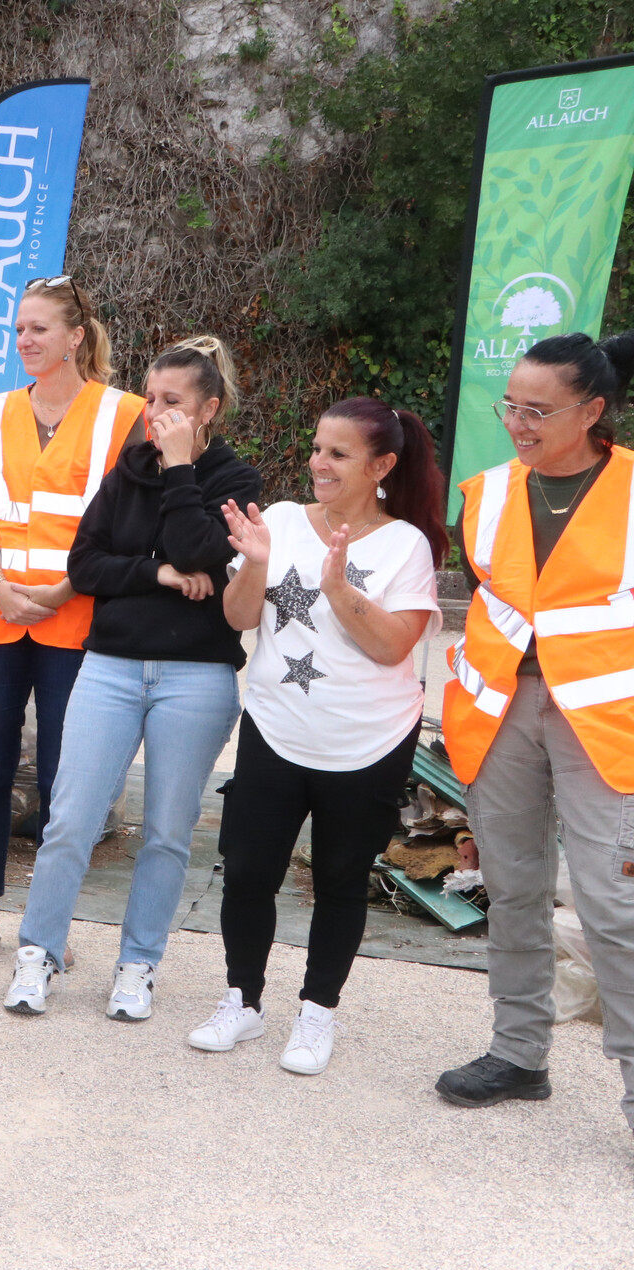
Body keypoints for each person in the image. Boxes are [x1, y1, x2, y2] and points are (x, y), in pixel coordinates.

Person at [1, 334, 259, 1021]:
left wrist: (180, 475)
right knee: (70, 820)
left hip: (197, 678)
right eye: (150, 398)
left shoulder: (235, 480)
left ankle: (138, 966)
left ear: (209, 408)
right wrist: (160, 575)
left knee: (169, 832)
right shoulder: (127, 469)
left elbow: (206, 549)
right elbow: (86, 566)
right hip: (111, 667)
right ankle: (38, 954)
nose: (154, 412)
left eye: (172, 402)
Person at [191, 398, 445, 1074]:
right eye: (316, 448)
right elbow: (240, 616)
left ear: (381, 465)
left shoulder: (405, 545)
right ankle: (242, 1001)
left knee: (340, 878)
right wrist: (252, 563)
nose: (318, 463)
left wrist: (338, 588)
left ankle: (316, 1013)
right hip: (275, 728)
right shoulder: (277, 521)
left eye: (338, 453)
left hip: (369, 743)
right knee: (247, 872)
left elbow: (394, 648)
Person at [434, 331, 634, 1130]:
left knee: (612, 909)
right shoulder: (484, 494)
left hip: (605, 728)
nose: (518, 421)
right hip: (501, 719)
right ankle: (519, 1054)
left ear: (593, 411)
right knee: (513, 890)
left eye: (537, 410)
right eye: (510, 404)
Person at [0, 278, 145, 966]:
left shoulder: (125, 415)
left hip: (77, 615)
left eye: (39, 329)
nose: (24, 340)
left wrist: (57, 592)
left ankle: (49, 925)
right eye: (19, 328)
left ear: (76, 337)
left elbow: (128, 522)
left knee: (66, 775)